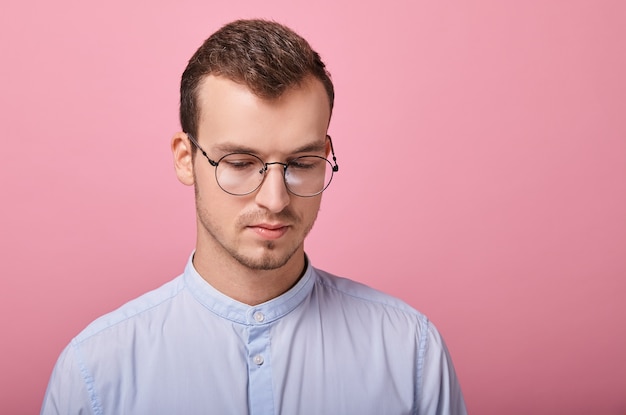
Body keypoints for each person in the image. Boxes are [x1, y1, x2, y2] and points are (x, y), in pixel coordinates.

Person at [41, 19, 467, 415]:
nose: (276, 200)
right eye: (241, 162)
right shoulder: (94, 374)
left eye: (302, 162)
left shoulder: (411, 353)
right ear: (186, 159)